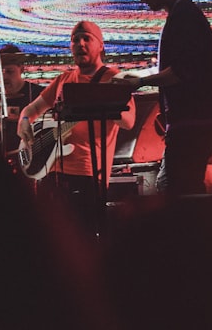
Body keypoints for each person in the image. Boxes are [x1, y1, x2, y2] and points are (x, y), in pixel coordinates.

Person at [113, 0, 212, 197]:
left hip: (193, 123)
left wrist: (140, 81)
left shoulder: (184, 16)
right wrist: (136, 75)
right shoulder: (182, 14)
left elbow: (181, 72)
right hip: (195, 123)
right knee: (183, 189)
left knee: (175, 190)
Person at [17, 21, 135, 236]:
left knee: (84, 238)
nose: (80, 43)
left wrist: (109, 102)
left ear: (101, 45)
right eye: (75, 40)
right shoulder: (64, 79)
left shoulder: (113, 79)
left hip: (87, 174)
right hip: (52, 173)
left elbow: (129, 121)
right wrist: (24, 120)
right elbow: (32, 108)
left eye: (86, 38)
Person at [0, 44, 44, 152]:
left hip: (34, 157)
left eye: (9, 71)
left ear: (21, 69)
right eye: (0, 73)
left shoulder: (39, 94)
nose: (5, 77)